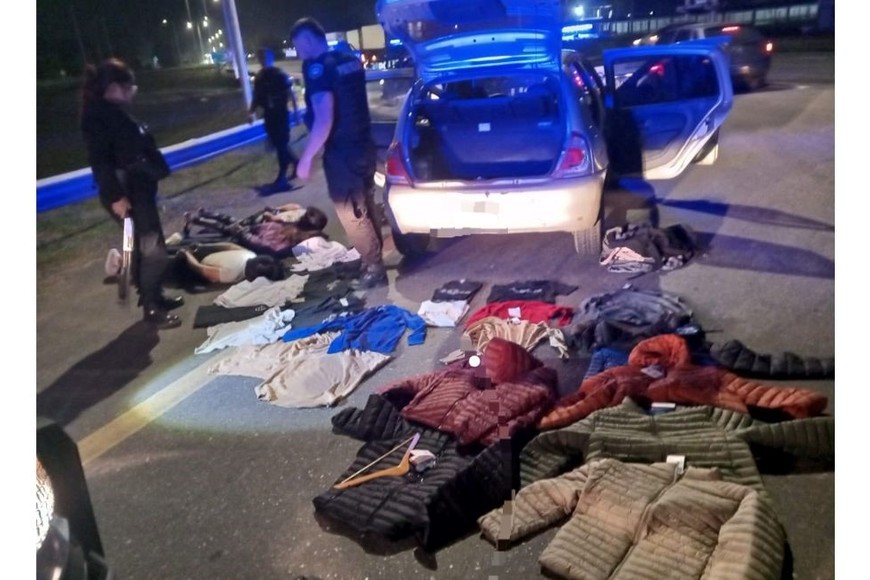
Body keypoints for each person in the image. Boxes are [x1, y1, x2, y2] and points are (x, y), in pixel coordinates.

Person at [80, 58, 183, 329]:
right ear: (114, 87)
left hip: (138, 190)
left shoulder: (114, 112)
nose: (132, 92)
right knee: (150, 250)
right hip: (125, 193)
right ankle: (151, 308)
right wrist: (115, 196)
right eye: (128, 87)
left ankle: (154, 297)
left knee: (147, 246)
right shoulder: (98, 117)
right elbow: (100, 161)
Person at [290, 18, 388, 289]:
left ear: (308, 40)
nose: (298, 52)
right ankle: (372, 259)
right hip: (363, 146)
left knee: (352, 213)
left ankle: (374, 268)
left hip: (342, 151)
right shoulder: (349, 60)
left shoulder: (319, 68)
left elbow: (324, 118)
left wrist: (307, 157)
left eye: (298, 45)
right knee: (365, 206)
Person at [248, 47, 299, 196]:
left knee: (281, 145)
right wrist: (251, 112)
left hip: (281, 114)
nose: (263, 60)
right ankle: (295, 163)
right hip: (269, 116)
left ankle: (282, 178)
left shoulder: (279, 74)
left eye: (265, 57)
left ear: (271, 58)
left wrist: (296, 113)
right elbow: (257, 97)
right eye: (260, 58)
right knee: (278, 144)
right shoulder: (260, 77)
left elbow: (290, 93)